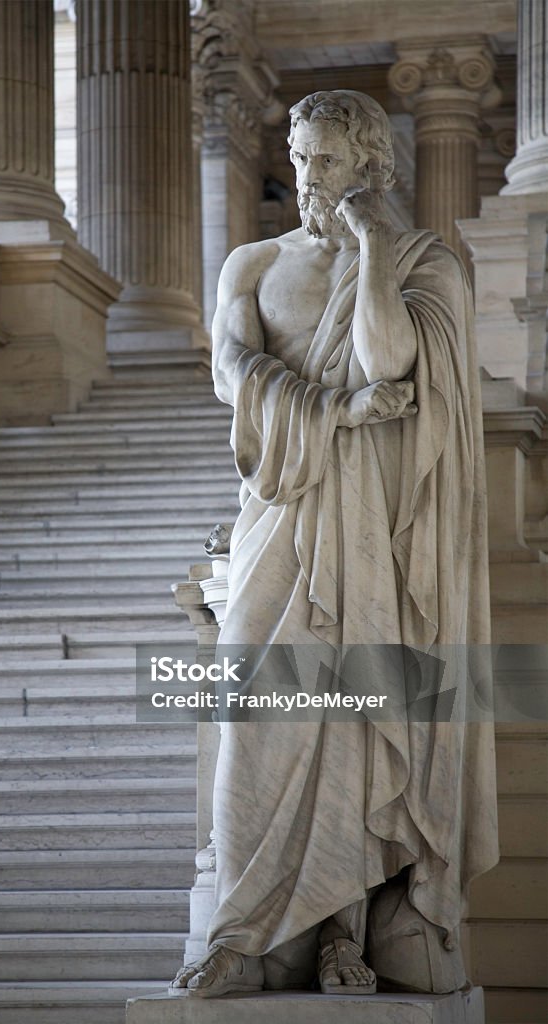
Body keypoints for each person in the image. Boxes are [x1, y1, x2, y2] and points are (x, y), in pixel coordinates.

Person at [170, 90, 498, 999]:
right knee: (258, 721)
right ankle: (241, 932)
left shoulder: (419, 262)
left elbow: (391, 360)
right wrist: (336, 412)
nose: (303, 175)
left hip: (373, 534)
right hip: (282, 515)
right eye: (299, 155)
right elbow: (233, 369)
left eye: (322, 160)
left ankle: (339, 935)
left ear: (367, 166)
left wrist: (376, 247)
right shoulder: (253, 262)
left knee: (355, 722)